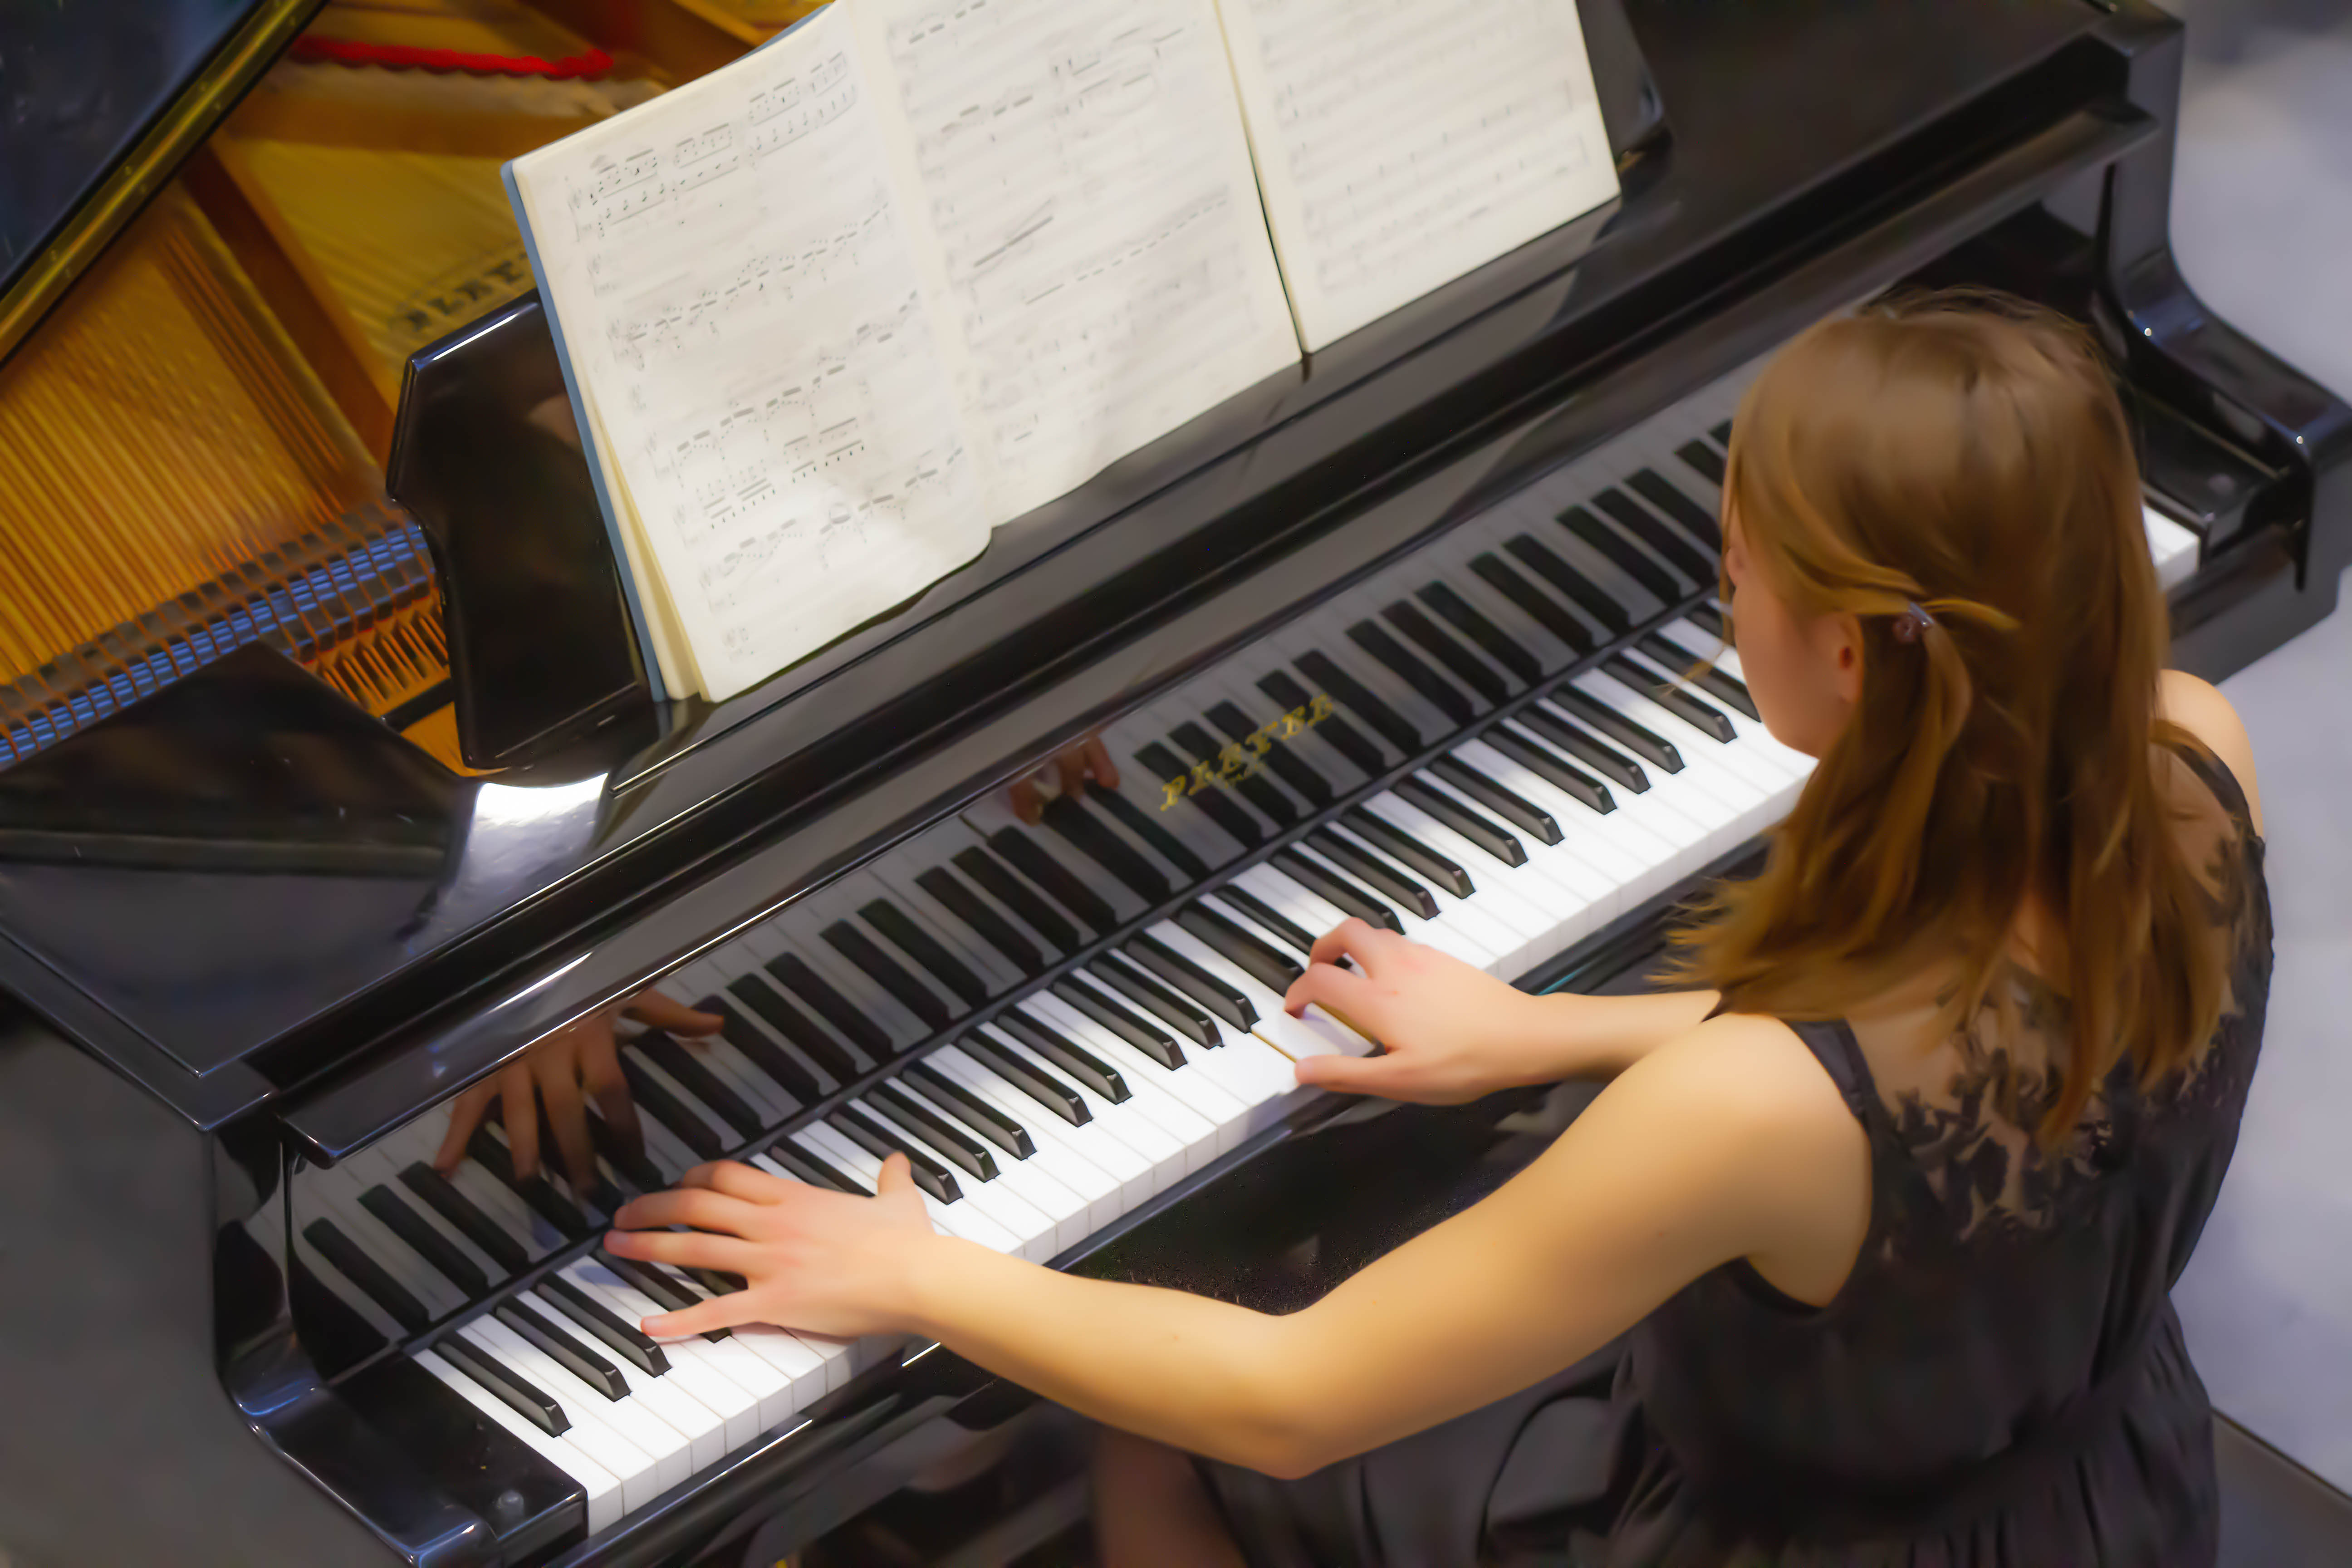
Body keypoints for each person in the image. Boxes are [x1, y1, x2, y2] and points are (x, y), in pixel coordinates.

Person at [599, 294, 2272, 1567]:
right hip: (2086, 1481)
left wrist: (922, 1273)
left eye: (1737, 566)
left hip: (1775, 1531)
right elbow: (1928, 1063)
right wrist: (1546, 1029)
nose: (1726, 598)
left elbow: (1290, 1397)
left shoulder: (1750, 1113)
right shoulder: (2189, 762)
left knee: (1173, 1388)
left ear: (1848, 652)